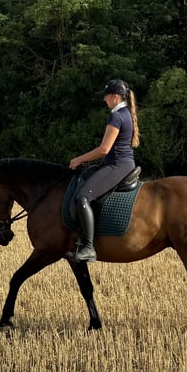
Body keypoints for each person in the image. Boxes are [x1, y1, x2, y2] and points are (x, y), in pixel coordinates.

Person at [66, 79, 140, 262]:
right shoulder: (125, 113)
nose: (104, 100)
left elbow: (104, 149)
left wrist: (79, 159)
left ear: (115, 97)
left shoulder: (117, 116)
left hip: (117, 166)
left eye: (106, 96)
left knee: (82, 196)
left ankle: (88, 247)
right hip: (122, 164)